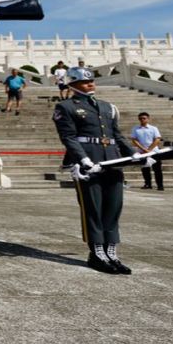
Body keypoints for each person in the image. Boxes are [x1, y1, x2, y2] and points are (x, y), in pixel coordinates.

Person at [53, 67, 137, 275]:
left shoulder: (107, 107)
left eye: (91, 81)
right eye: (84, 82)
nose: (90, 84)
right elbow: (69, 137)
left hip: (112, 158)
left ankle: (112, 252)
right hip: (88, 161)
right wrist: (83, 159)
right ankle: (97, 253)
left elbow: (117, 135)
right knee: (93, 207)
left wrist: (135, 154)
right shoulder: (66, 107)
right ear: (72, 85)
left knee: (114, 206)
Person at [131, 112, 164, 190]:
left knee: (157, 169)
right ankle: (148, 184)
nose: (142, 120)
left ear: (148, 119)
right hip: (142, 151)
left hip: (154, 151)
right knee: (145, 169)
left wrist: (149, 149)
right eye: (140, 118)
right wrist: (143, 149)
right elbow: (134, 140)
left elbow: (157, 139)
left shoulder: (153, 128)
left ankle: (160, 185)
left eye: (144, 118)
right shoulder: (135, 129)